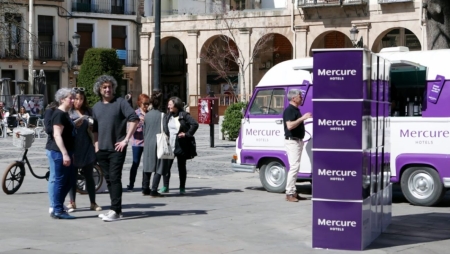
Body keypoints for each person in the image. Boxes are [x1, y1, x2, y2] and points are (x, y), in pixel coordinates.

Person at [92, 75, 139, 222]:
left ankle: (115, 209)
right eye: (104, 87)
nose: (108, 89)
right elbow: (95, 129)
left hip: (117, 148)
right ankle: (116, 210)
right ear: (99, 90)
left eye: (110, 87)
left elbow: (134, 119)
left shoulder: (121, 103)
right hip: (102, 149)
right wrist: (96, 146)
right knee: (109, 179)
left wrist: (126, 140)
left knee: (115, 177)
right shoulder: (96, 107)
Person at [67, 87, 102, 212]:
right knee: (73, 176)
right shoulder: (69, 112)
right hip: (74, 148)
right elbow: (64, 129)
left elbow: (95, 127)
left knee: (89, 176)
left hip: (87, 147)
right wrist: (73, 125)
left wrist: (91, 125)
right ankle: (72, 202)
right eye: (76, 99)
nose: (79, 101)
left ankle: (93, 202)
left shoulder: (88, 111)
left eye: (81, 99)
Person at [160, 96, 198, 195]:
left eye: (170, 104)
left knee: (181, 167)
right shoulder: (167, 116)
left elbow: (195, 124)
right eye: (168, 105)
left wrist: (186, 134)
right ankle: (165, 186)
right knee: (167, 167)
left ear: (176, 105)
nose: (168, 107)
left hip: (181, 145)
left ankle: (182, 187)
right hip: (169, 144)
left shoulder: (184, 115)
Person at [48, 88, 77, 219]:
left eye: (73, 98)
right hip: (59, 152)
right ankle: (57, 209)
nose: (73, 100)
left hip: (68, 151)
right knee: (60, 181)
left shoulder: (65, 113)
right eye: (70, 98)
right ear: (62, 99)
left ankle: (57, 206)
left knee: (70, 181)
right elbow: (57, 135)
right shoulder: (59, 114)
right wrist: (65, 153)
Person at [283, 89, 311, 202]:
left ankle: (293, 192)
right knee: (294, 167)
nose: (302, 97)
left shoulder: (295, 110)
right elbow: (289, 126)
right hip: (292, 141)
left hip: (297, 141)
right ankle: (289, 192)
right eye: (300, 96)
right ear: (294, 98)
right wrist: (302, 118)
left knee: (296, 166)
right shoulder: (289, 110)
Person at [142, 93, 171, 197]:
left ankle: (145, 188)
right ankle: (154, 189)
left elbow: (144, 130)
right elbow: (166, 130)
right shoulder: (162, 115)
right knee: (159, 166)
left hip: (148, 142)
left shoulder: (147, 115)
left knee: (147, 165)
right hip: (158, 142)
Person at [126, 93, 150, 192]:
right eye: (145, 104)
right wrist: (139, 123)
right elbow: (130, 131)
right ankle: (131, 184)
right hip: (137, 142)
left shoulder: (150, 114)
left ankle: (145, 185)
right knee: (135, 163)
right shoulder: (135, 114)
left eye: (148, 104)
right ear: (139, 103)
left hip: (147, 142)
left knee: (147, 164)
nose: (147, 106)